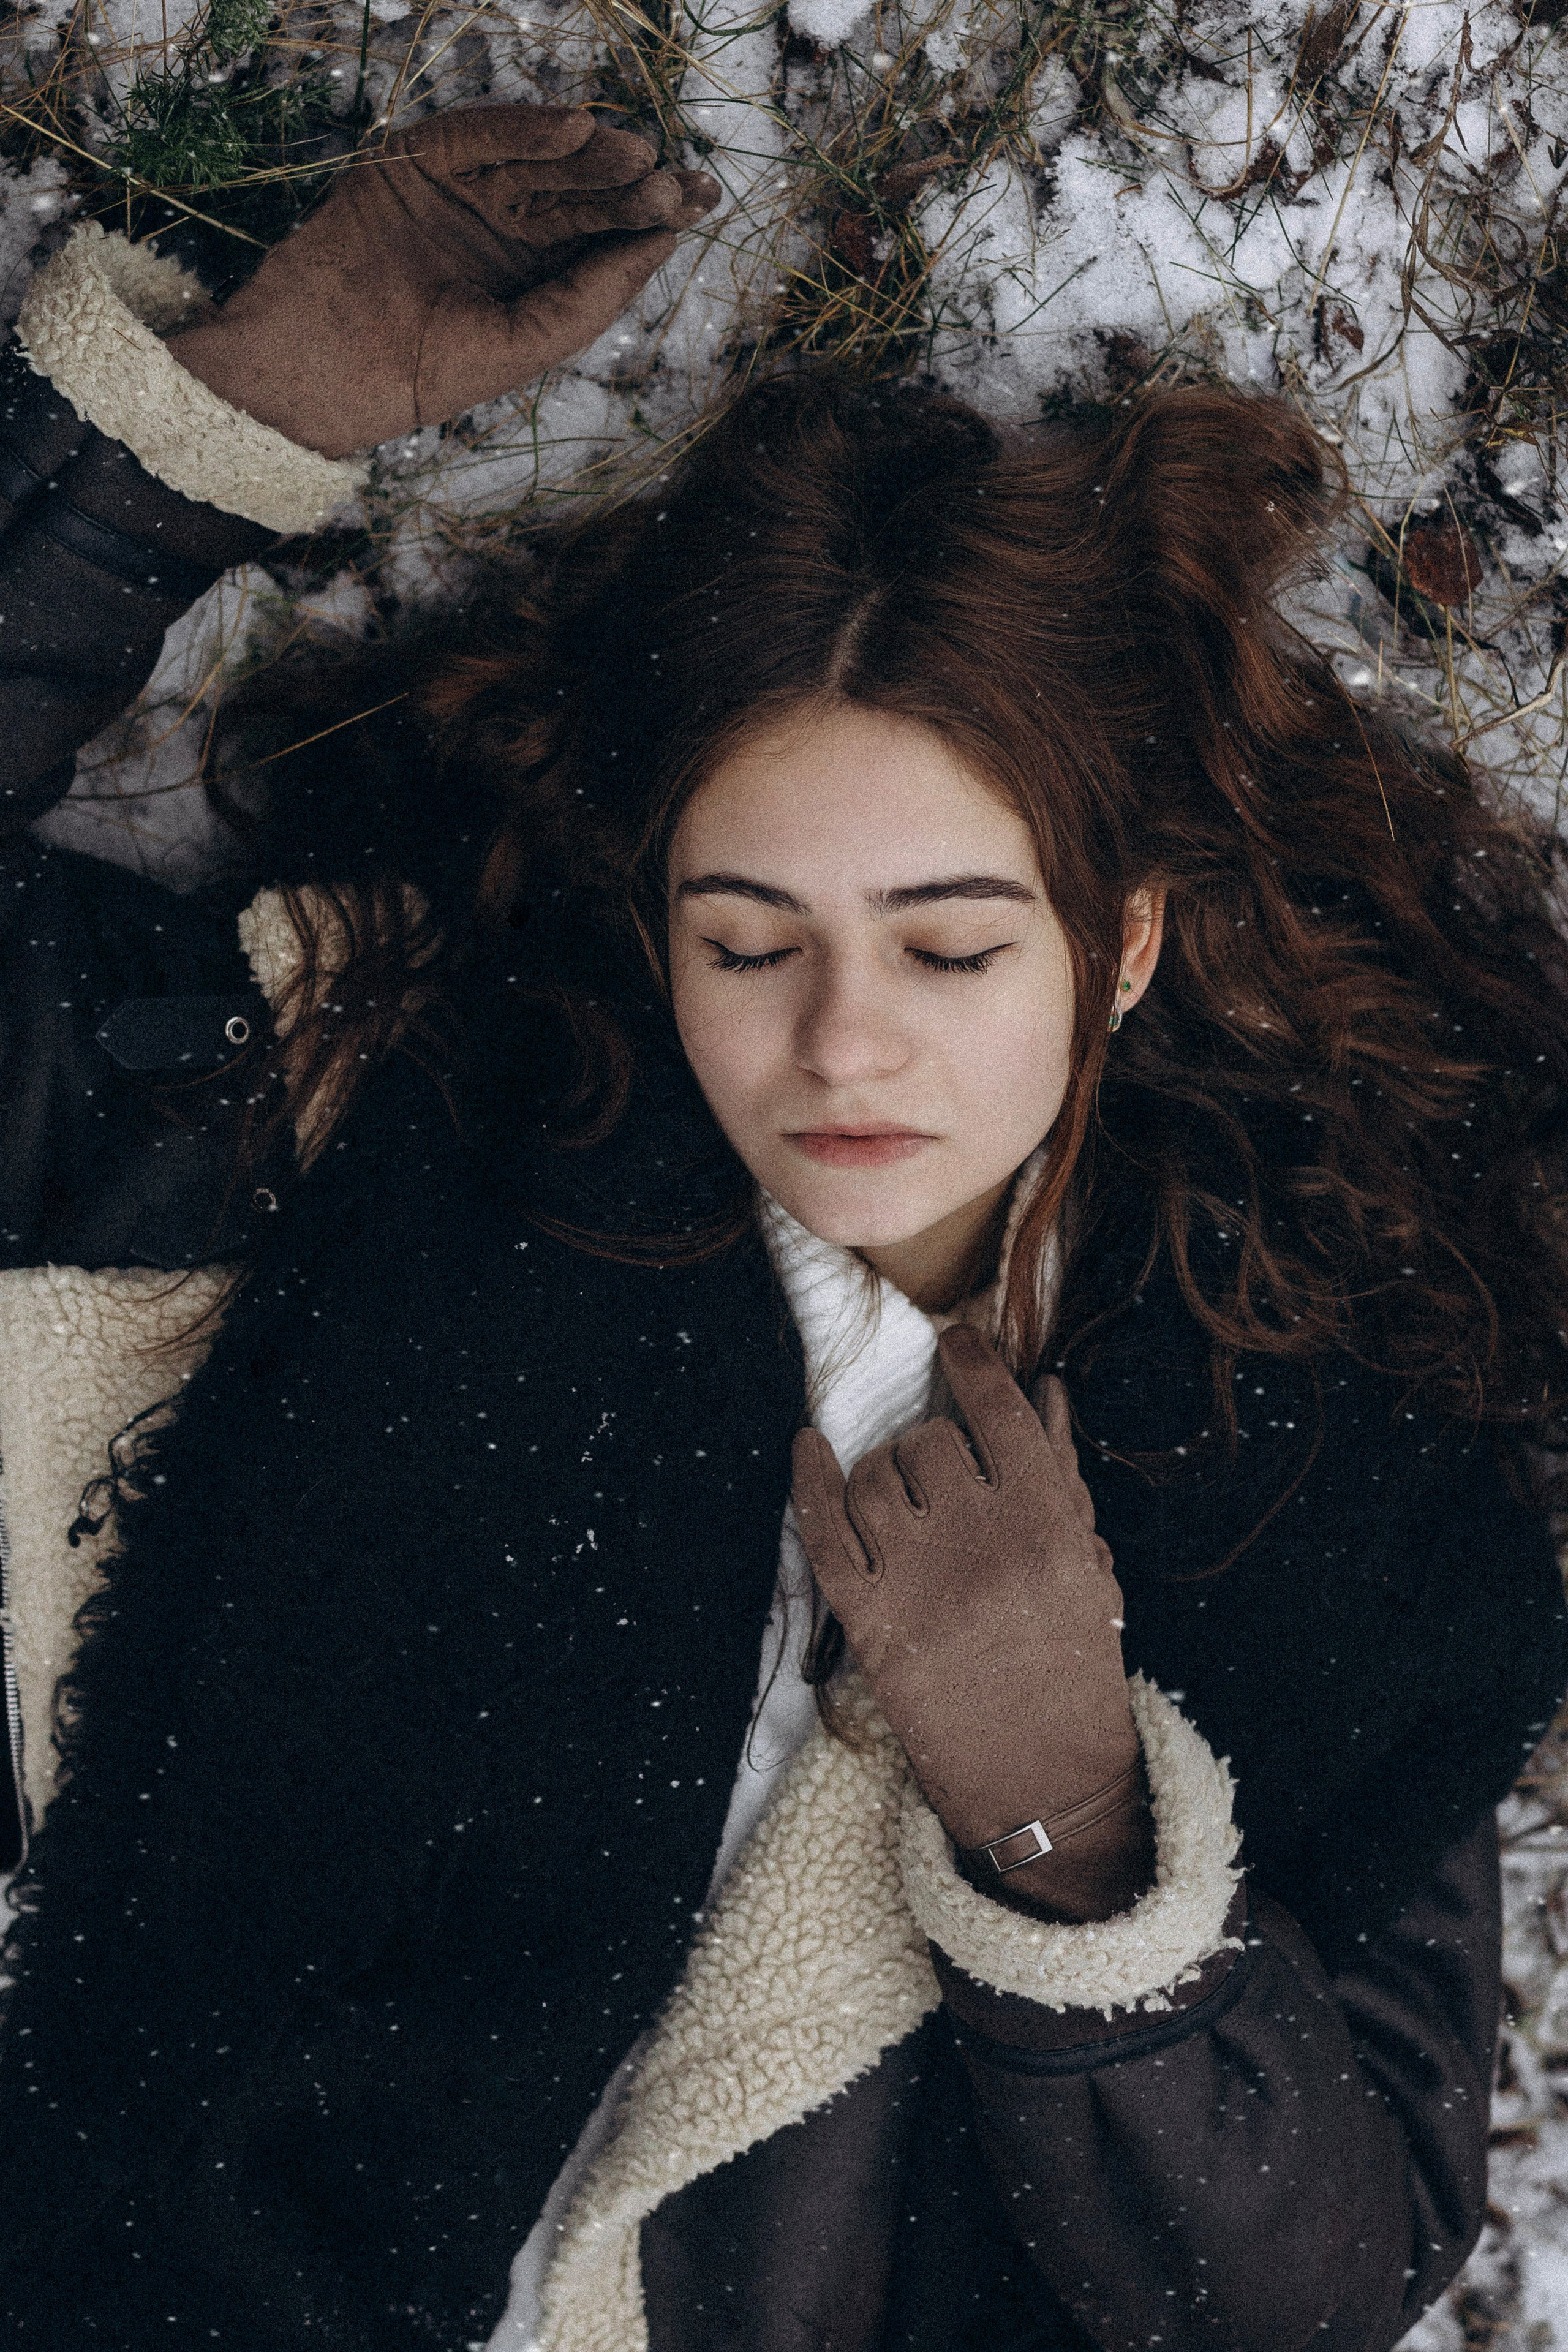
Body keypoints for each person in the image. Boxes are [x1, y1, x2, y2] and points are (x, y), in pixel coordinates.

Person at [0, 97, 1563, 2352]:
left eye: (951, 950)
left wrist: (1067, 1827)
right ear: (656, 929)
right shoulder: (381, 1127)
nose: (846, 1049)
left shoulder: (1333, 1513)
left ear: (1115, 951)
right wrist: (226, 418)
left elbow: (1311, 2289)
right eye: (753, 943)